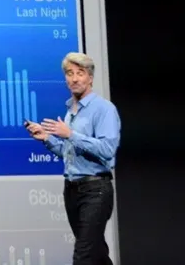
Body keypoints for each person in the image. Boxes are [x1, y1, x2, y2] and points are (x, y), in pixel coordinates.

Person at [25, 52, 121, 265]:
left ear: (90, 78)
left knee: (83, 256)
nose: (74, 78)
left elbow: (107, 149)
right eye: (70, 73)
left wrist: (70, 134)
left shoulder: (104, 109)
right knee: (96, 255)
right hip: (72, 191)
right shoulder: (71, 111)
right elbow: (70, 153)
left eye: (80, 73)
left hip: (95, 191)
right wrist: (47, 138)